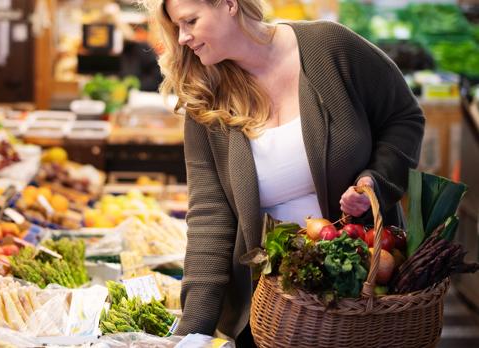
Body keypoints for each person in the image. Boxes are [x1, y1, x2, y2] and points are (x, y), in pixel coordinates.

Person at [141, 0, 425, 345]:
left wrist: (376, 180)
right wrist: (193, 329)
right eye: (177, 28)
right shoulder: (206, 95)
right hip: (272, 314)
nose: (183, 38)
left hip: (361, 301)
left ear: (230, 4)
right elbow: (209, 219)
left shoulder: (330, 48)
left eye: (190, 22)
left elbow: (404, 118)